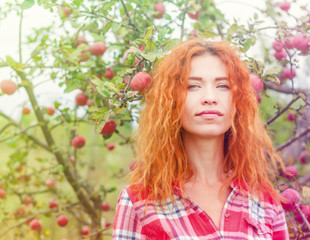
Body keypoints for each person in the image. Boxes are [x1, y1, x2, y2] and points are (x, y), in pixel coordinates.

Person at [113, 39, 289, 240]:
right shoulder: (140, 202)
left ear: (237, 101)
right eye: (193, 86)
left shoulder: (263, 200)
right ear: (172, 101)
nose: (210, 97)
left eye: (223, 85)